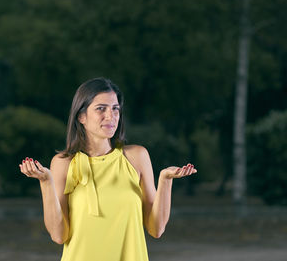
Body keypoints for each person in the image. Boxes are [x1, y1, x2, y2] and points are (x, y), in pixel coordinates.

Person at [19, 77, 197, 261]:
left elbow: (156, 229)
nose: (111, 116)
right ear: (81, 116)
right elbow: (59, 236)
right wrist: (45, 182)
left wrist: (165, 181)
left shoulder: (137, 157)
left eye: (115, 109)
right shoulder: (63, 163)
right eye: (101, 109)